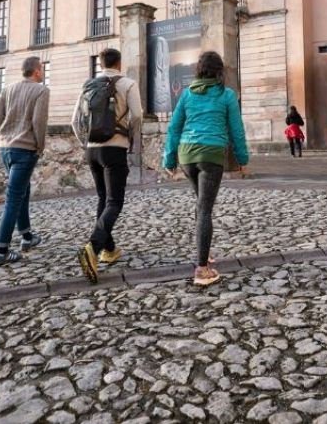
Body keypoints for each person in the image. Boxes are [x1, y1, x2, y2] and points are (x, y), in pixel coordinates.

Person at [163, 51, 249, 287]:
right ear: (220, 71)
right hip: (211, 155)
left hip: (187, 155)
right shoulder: (227, 95)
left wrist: (169, 160)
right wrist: (242, 157)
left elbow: (174, 127)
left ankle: (204, 250)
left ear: (198, 70)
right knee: (205, 209)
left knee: (201, 204)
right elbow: (236, 129)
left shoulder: (188, 94)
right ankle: (201, 269)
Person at [73, 48, 143, 284]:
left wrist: (86, 142)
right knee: (114, 201)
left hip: (92, 149)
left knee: (103, 199)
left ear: (101, 63)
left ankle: (108, 249)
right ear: (119, 62)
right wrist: (128, 137)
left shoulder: (88, 85)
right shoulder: (127, 84)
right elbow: (138, 115)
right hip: (115, 148)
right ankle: (93, 247)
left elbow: (75, 121)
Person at [0, 56, 50, 266]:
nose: (42, 73)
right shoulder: (41, 90)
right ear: (36, 71)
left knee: (22, 190)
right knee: (14, 198)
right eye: (41, 69)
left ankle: (26, 237)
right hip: (25, 149)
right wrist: (39, 147)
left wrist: (5, 137)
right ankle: (1, 250)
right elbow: (39, 122)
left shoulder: (8, 89)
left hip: (5, 148)